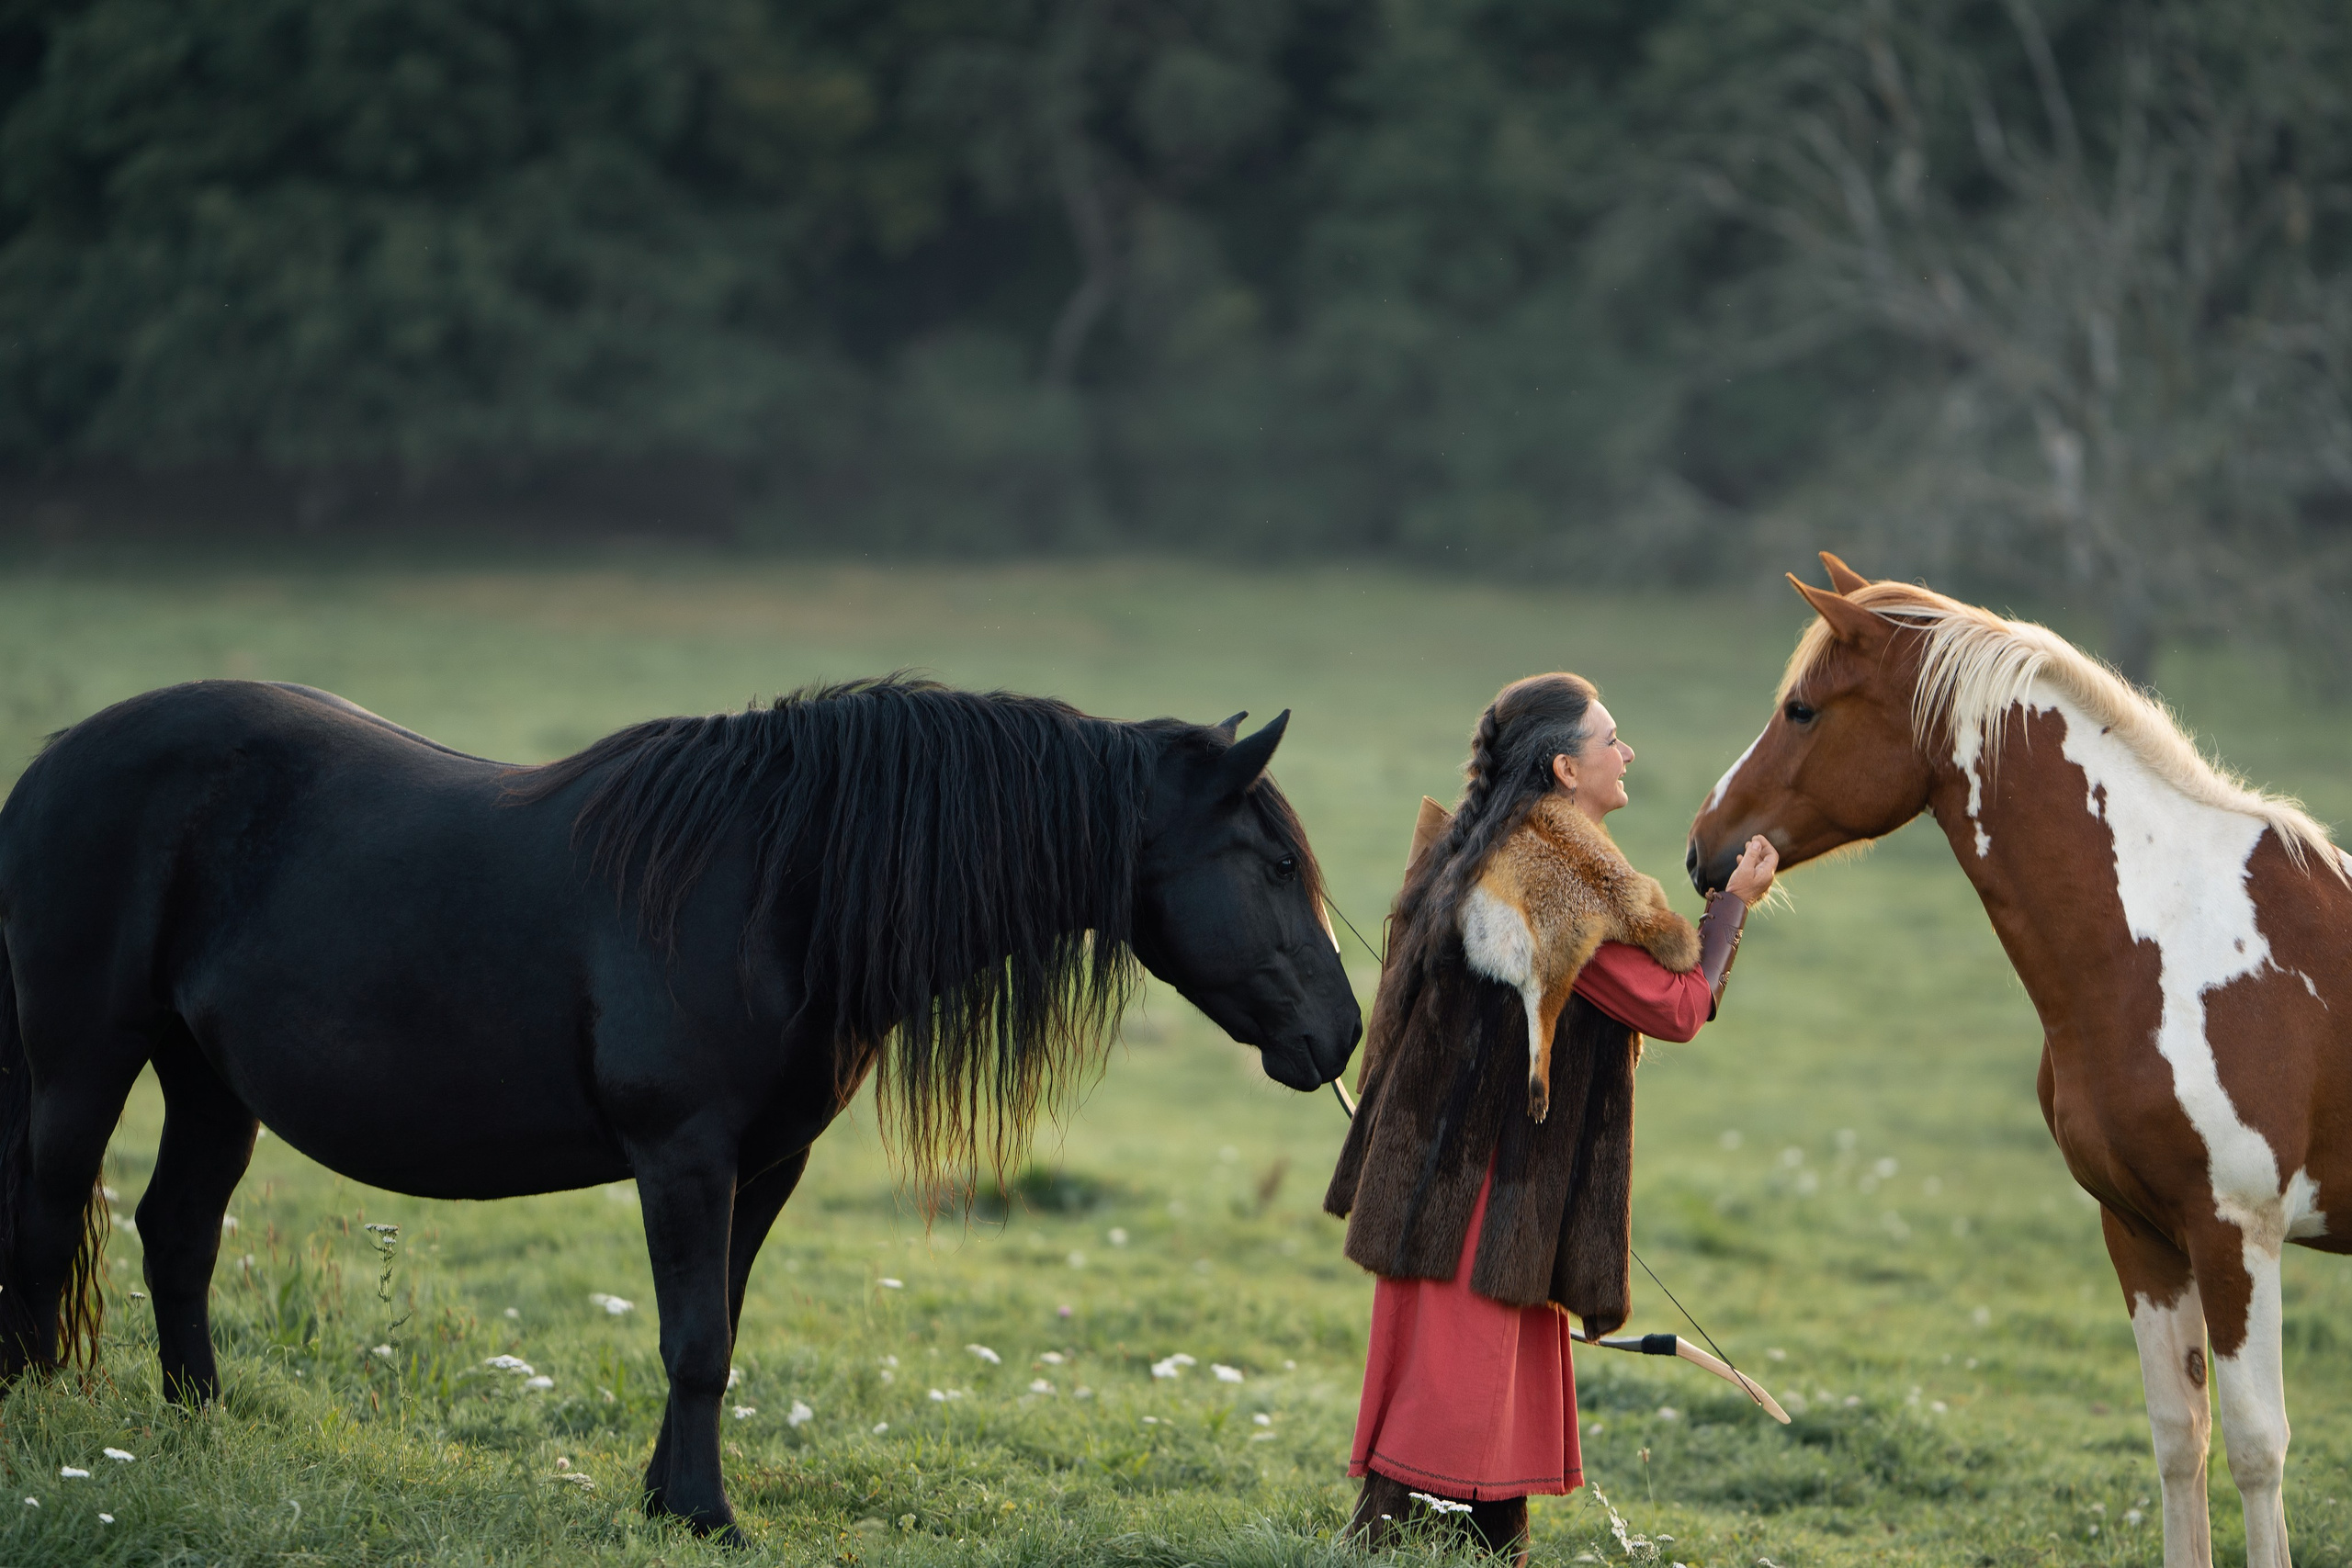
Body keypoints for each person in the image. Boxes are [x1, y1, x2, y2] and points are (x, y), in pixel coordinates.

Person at [1323, 673, 1777, 1559]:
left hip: (1446, 1171)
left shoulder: (1488, 845)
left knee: (1470, 1387)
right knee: (1455, 1391)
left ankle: (1482, 1545)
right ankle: (1380, 1546)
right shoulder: (1550, 878)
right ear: (1567, 768)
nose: (1627, 751)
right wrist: (1734, 906)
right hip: (1486, 1189)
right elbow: (1680, 1007)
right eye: (1612, 738)